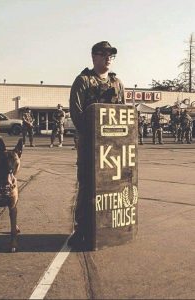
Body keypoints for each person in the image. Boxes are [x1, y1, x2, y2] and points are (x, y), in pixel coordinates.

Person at [68, 41, 125, 248]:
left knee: (112, 187)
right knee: (86, 186)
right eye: (104, 54)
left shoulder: (117, 83)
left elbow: (122, 115)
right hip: (89, 145)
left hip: (113, 147)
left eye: (111, 55)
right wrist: (94, 136)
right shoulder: (83, 81)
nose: (108, 58)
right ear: (94, 57)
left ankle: (109, 227)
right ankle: (81, 229)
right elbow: (76, 114)